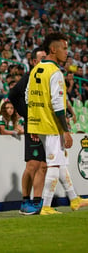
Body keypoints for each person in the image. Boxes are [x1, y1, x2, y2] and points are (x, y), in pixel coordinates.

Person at [26, 32, 88, 215]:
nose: (67, 52)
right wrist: (65, 130)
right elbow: (57, 105)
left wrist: (34, 123)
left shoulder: (36, 69)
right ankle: (45, 206)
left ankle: (74, 199)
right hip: (51, 124)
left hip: (40, 122)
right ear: (53, 49)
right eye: (64, 48)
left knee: (60, 162)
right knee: (53, 165)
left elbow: (28, 96)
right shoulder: (56, 73)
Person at [9, 47, 47, 215]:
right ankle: (25, 201)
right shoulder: (30, 77)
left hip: (45, 125)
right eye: (42, 58)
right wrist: (26, 114)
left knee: (43, 165)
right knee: (32, 164)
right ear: (34, 62)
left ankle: (37, 202)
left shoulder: (46, 77)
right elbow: (12, 95)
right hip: (33, 124)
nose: (45, 62)